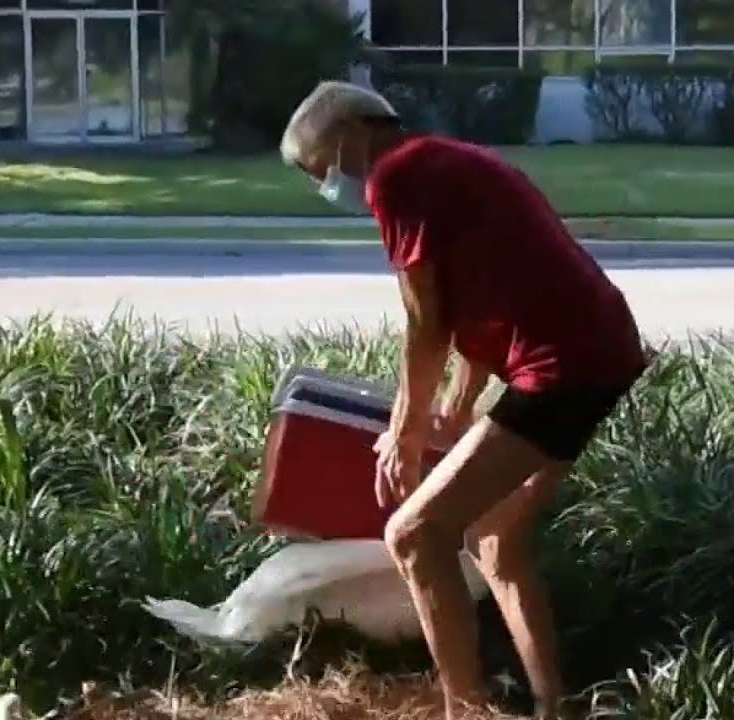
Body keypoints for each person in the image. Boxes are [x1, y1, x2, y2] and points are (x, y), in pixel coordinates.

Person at [277, 81, 649, 719]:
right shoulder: (445, 162)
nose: (330, 186)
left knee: (415, 535)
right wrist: (456, 399)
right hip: (602, 349)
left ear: (349, 136)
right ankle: (554, 707)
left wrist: (406, 431)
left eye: (322, 170)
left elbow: (425, 324)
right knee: (496, 539)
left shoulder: (394, 177)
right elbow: (482, 298)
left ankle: (464, 710)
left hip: (562, 368)